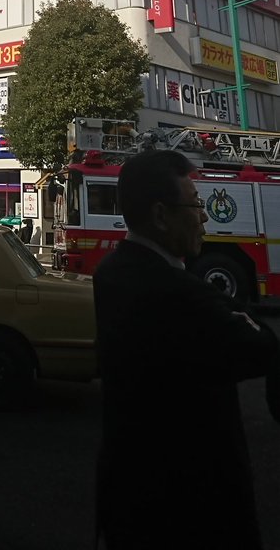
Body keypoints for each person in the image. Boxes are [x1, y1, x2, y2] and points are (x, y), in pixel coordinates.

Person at [93, 148, 280, 550]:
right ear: (161, 215)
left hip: (128, 504)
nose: (205, 216)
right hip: (195, 514)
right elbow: (262, 344)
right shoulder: (178, 293)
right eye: (196, 204)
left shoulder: (111, 274)